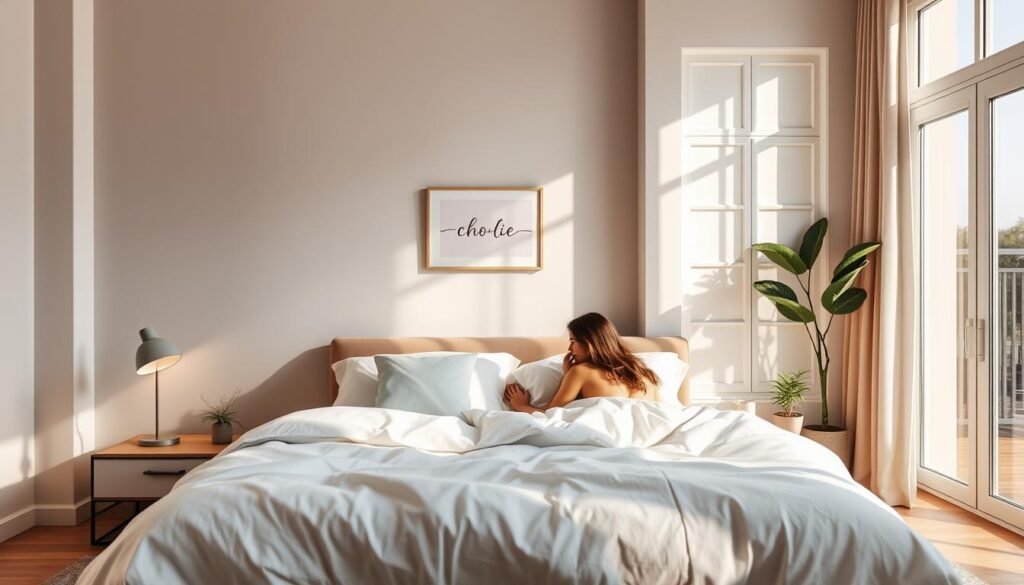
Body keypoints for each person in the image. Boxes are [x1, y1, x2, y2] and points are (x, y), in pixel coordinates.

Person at [503, 312, 661, 413]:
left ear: (590, 342)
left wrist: (520, 405)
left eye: (573, 341)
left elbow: (552, 415)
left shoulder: (581, 372)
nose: (570, 348)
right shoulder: (643, 372)